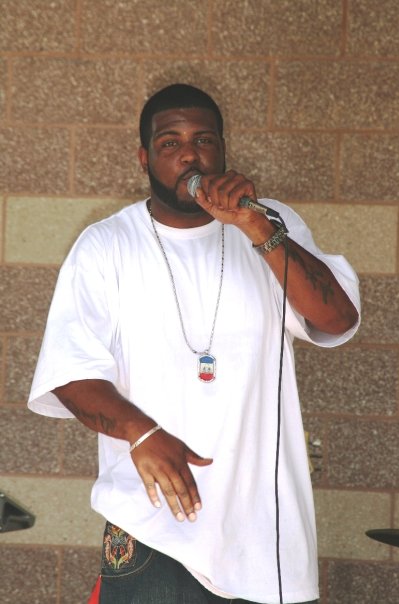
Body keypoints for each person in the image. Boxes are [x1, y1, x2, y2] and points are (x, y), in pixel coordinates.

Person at [28, 83, 360, 604]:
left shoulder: (270, 223)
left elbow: (337, 319)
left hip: (265, 537)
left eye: (204, 139)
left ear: (223, 150)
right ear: (144, 158)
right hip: (154, 527)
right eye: (170, 142)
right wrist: (141, 433)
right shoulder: (106, 244)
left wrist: (257, 227)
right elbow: (70, 374)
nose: (190, 154)